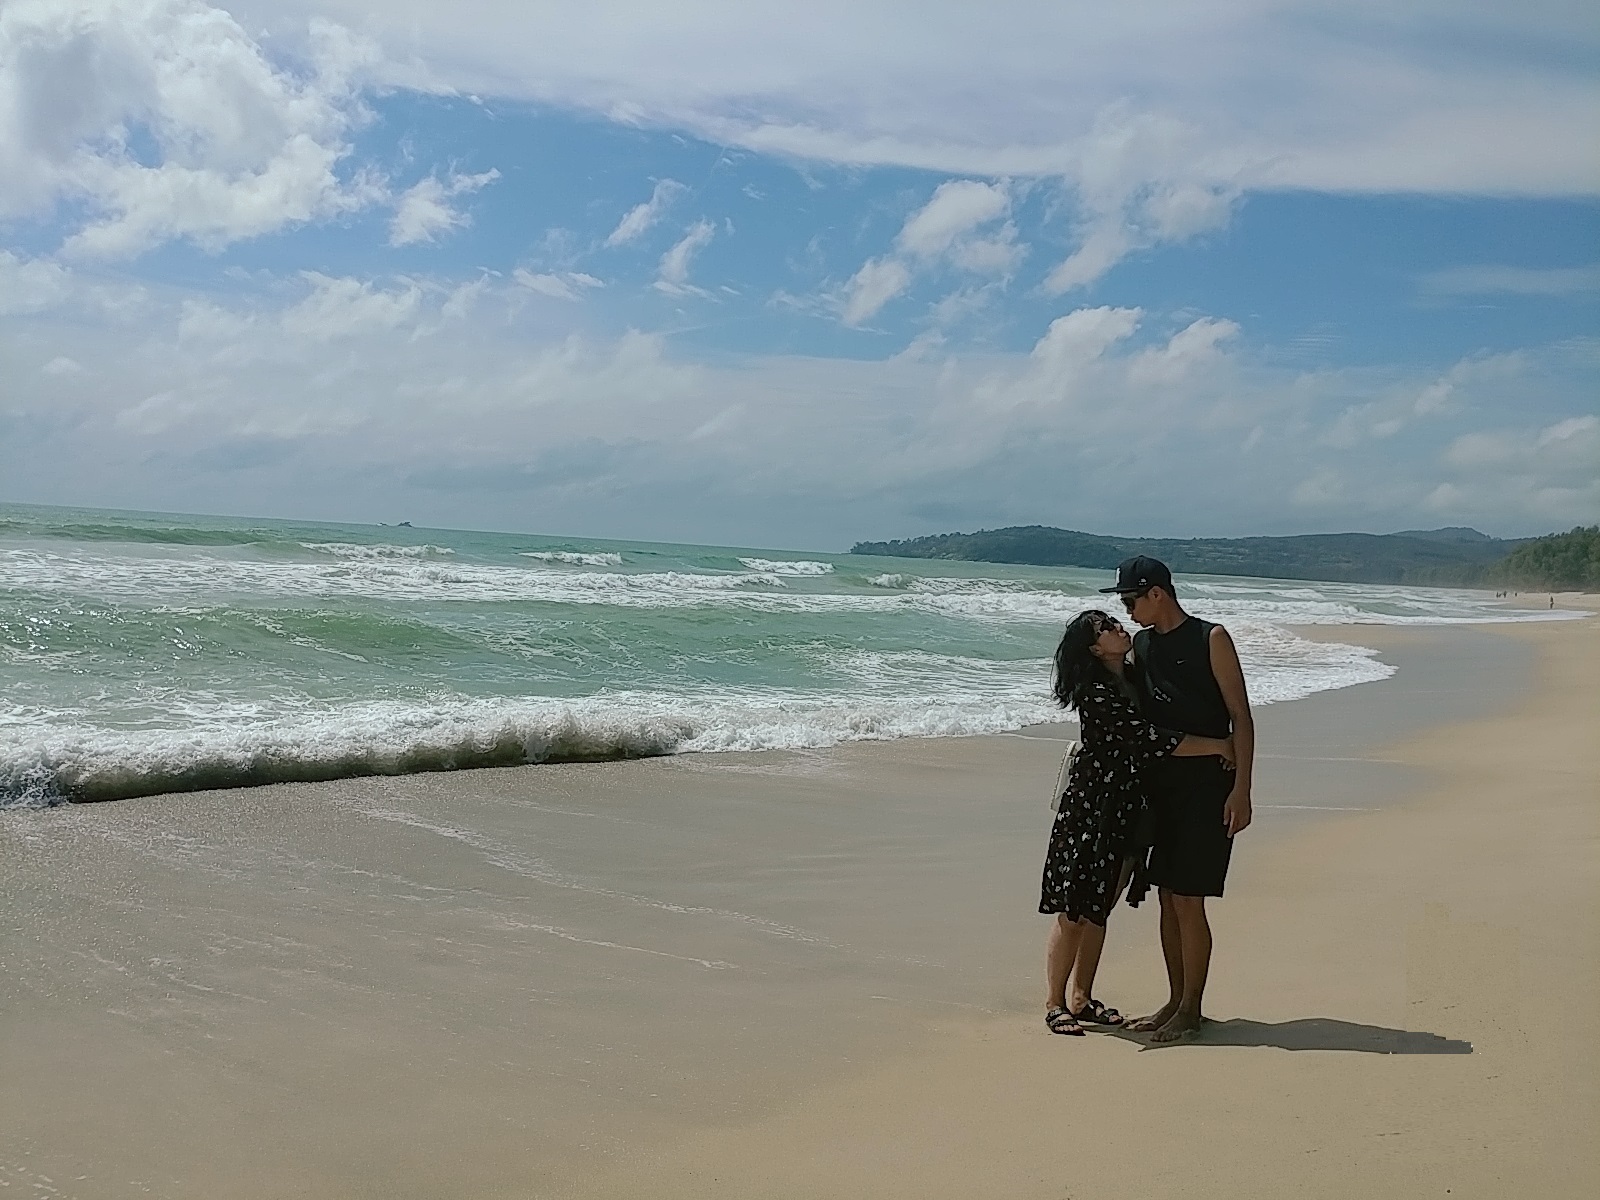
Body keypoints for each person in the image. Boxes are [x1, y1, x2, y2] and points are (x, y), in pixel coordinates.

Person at [1040, 609, 1236, 1036]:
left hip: (1128, 808)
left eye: (1114, 620)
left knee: (1101, 906)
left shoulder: (1133, 677)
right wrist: (1219, 745)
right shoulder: (1095, 691)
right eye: (1105, 628)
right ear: (1095, 649)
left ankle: (1081, 997)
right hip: (1091, 808)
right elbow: (1147, 739)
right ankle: (1055, 1002)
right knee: (1075, 909)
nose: (1118, 627)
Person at [1101, 556, 1255, 1043]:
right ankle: (1175, 1000)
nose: (1128, 611)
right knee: (1168, 897)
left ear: (1157, 594)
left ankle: (1191, 1009)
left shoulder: (1212, 638)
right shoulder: (1144, 645)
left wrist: (1242, 790)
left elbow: (1241, 716)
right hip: (1160, 787)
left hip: (1209, 786)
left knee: (1189, 898)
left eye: (1131, 600)